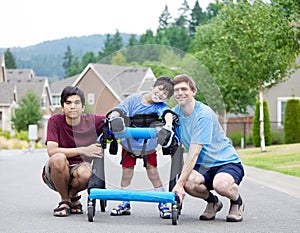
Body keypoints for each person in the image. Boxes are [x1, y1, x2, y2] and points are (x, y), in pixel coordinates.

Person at [171, 74, 245, 222]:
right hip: (203, 165)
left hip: (225, 162)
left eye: (184, 89)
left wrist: (178, 185)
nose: (180, 93)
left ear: (193, 91)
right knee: (188, 182)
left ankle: (237, 201)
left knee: (221, 185)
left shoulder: (203, 114)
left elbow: (194, 152)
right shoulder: (175, 113)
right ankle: (213, 202)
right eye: (176, 90)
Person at [108, 76, 175, 219]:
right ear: (153, 87)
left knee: (153, 174)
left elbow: (167, 114)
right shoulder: (133, 99)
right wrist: (114, 118)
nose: (161, 94)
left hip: (148, 146)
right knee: (126, 174)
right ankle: (124, 202)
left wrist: (168, 125)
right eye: (160, 89)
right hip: (129, 144)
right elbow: (119, 109)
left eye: (165, 95)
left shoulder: (160, 107)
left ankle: (163, 203)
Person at [42, 86, 106, 217]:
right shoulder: (55, 121)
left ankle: (72, 196)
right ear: (62, 106)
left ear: (82, 107)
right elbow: (52, 151)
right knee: (58, 158)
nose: (73, 107)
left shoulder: (93, 121)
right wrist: (83, 150)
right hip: (55, 172)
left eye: (77, 103)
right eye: (68, 103)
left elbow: (112, 117)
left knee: (86, 173)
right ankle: (65, 201)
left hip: (80, 170)